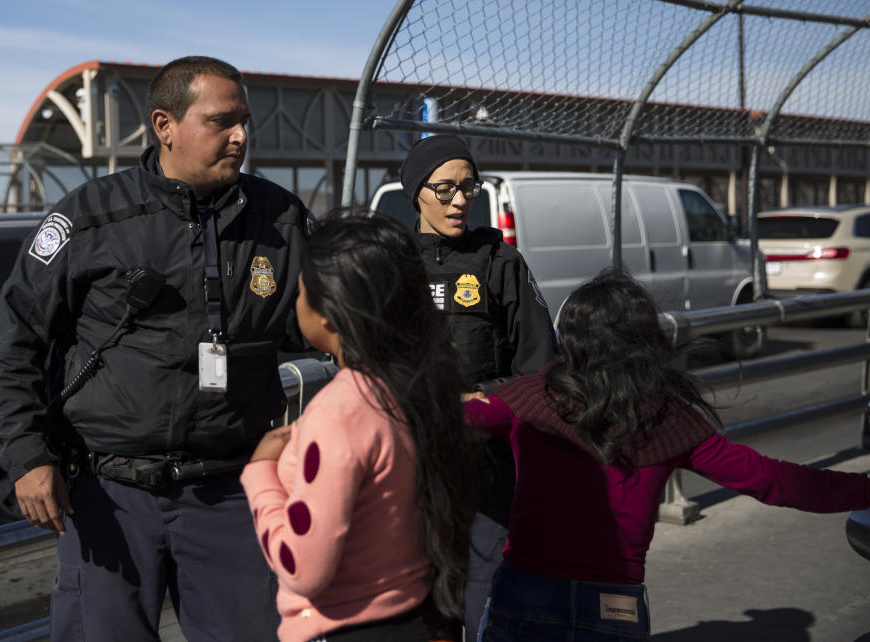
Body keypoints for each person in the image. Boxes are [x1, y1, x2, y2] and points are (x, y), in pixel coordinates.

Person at [0, 56, 313, 641]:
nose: (240, 137)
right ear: (165, 125)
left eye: (245, 122)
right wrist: (28, 456)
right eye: (221, 122)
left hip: (232, 494)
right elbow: (14, 343)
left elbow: (329, 325)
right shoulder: (90, 217)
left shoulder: (281, 220)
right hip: (110, 498)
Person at [465, 269, 870, 641]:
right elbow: (774, 480)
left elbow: (440, 421)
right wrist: (863, 489)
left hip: (527, 594)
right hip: (615, 607)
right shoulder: (672, 418)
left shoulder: (525, 400)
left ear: (569, 340)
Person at [241, 214, 477, 642]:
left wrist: (260, 474)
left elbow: (302, 568)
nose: (296, 303)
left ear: (330, 313)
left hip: (349, 628)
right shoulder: (419, 385)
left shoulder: (339, 410)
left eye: (300, 291)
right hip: (420, 615)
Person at [398, 133, 559, 639]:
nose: (460, 200)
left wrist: (489, 403)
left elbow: (542, 368)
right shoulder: (392, 262)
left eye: (470, 187)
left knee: (482, 593)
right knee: (418, 595)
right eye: (445, 189)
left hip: (486, 465)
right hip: (408, 458)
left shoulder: (499, 261)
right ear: (417, 192)